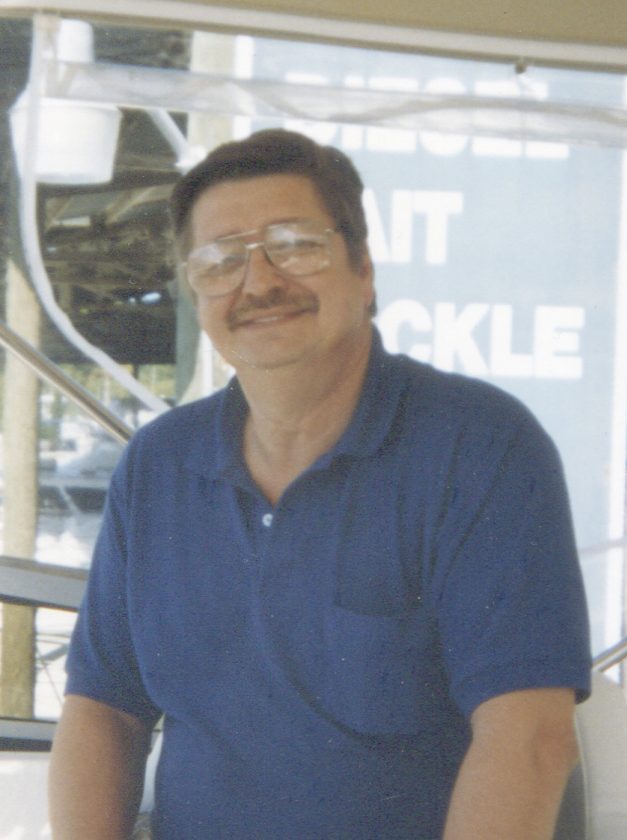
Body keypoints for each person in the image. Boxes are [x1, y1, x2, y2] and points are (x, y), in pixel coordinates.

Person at [49, 128, 591, 840]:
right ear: (196, 293)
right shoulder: (158, 464)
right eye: (221, 260)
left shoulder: (480, 446)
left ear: (363, 268)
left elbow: (529, 737)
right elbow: (102, 712)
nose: (258, 282)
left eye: (296, 244)